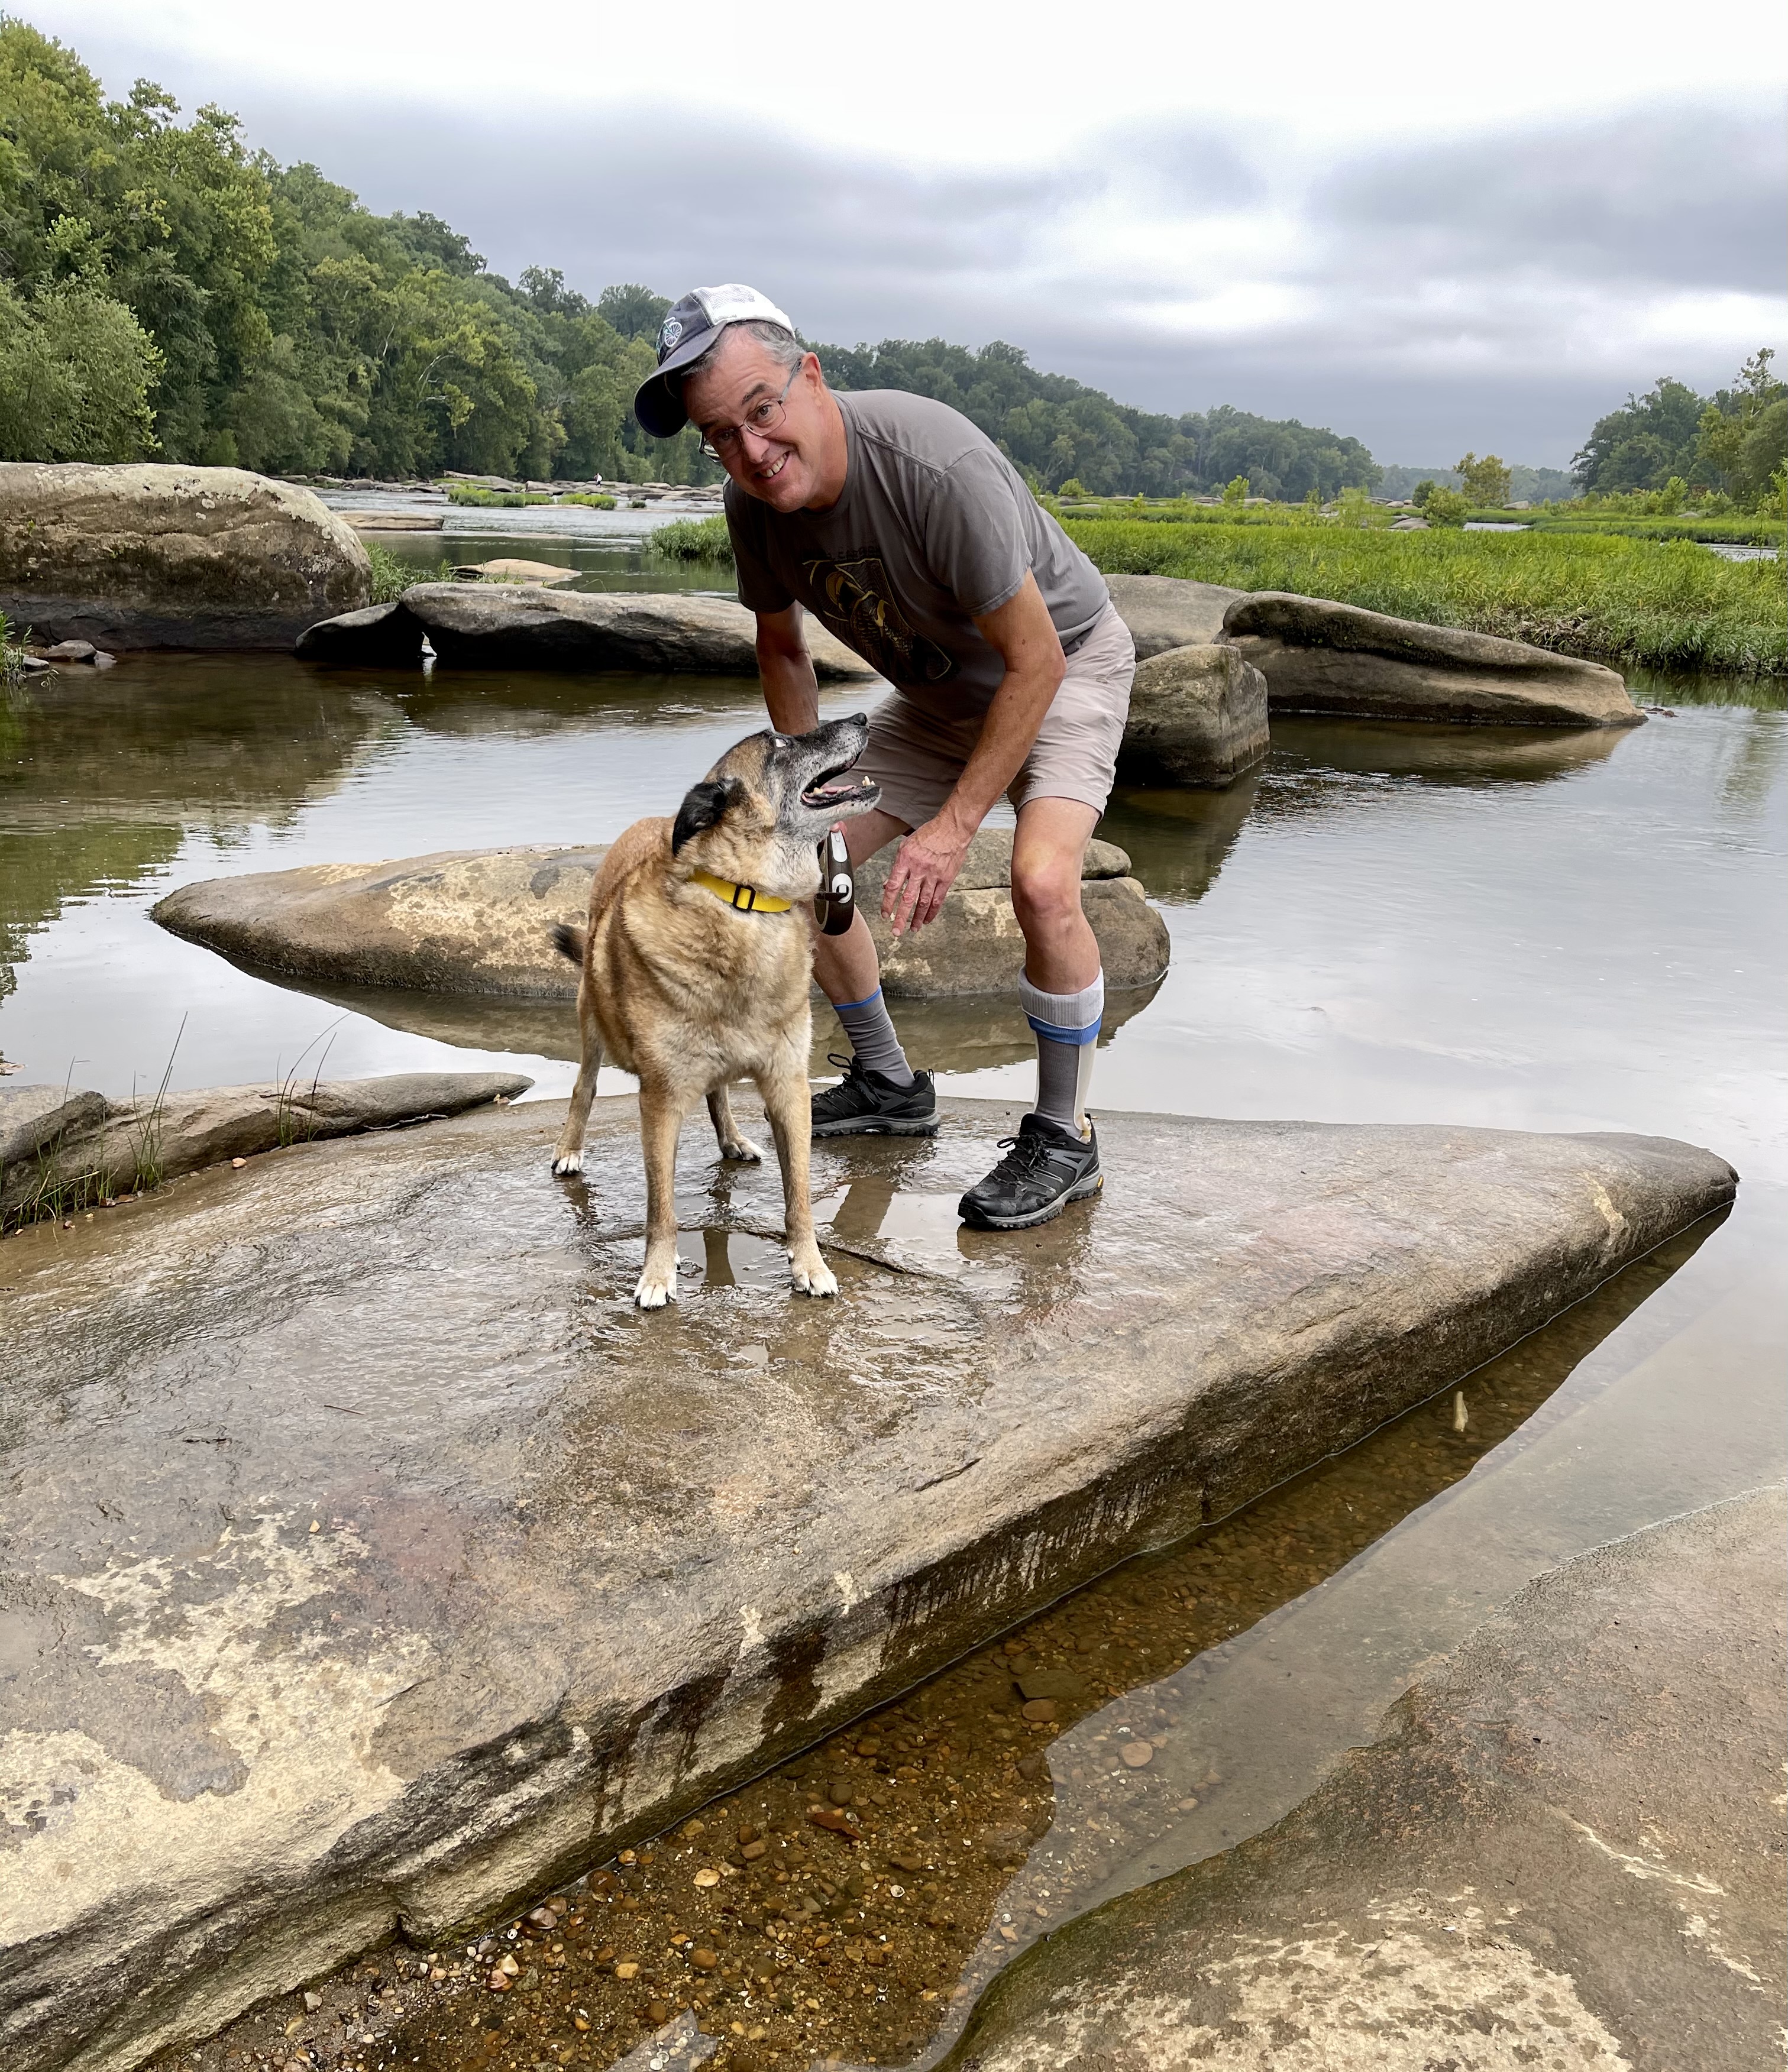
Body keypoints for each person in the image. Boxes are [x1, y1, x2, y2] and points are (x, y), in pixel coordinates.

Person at [634, 285, 1135, 1231]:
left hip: (1063, 667)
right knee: (794, 870)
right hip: (940, 701)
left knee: (1040, 881)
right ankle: (890, 1084)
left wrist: (952, 828)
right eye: (721, 436)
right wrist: (804, 801)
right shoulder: (754, 507)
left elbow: (1036, 662)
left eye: (762, 411)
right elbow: (782, 649)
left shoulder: (933, 468)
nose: (751, 451)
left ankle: (1066, 1137)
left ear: (811, 376)